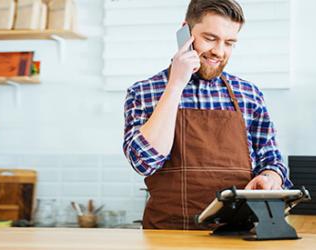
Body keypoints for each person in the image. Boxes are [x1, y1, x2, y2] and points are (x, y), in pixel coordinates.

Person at [123, 0, 293, 230]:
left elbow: (271, 160)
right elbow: (144, 162)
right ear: (186, 31)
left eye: (229, 42)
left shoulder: (249, 94)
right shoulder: (144, 92)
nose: (219, 51)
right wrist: (175, 85)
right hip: (169, 236)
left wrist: (271, 178)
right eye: (210, 38)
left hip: (237, 235)